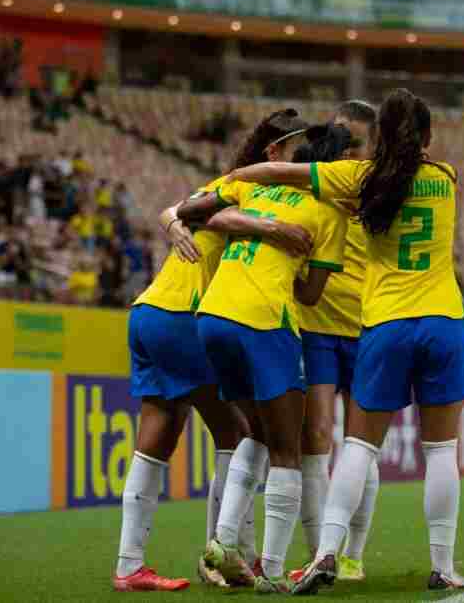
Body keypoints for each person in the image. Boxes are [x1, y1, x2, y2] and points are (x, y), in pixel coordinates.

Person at [224, 88, 464, 593]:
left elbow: (277, 173)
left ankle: (325, 553)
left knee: (359, 446)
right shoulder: (446, 179)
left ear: (378, 136)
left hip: (384, 324)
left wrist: (236, 178)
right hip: (442, 321)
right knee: (442, 450)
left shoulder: (359, 178)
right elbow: (414, 167)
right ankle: (443, 566)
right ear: (427, 137)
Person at [111, 109, 319, 593]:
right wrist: (268, 230)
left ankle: (129, 564)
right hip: (186, 314)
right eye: (297, 153)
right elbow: (190, 211)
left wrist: (172, 220)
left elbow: (178, 207)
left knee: (159, 433)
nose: (306, 166)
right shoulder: (254, 189)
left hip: (149, 312)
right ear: (274, 153)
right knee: (242, 432)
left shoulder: (232, 186)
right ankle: (224, 552)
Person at [180, 126, 351, 594]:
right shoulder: (331, 211)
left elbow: (193, 212)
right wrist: (286, 264)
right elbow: (312, 295)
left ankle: (222, 542)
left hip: (213, 315)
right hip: (264, 320)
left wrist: (250, 227)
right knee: (287, 449)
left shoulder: (259, 187)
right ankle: (271, 571)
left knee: (252, 434)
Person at [290, 101, 380, 584]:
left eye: (358, 143)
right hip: (318, 324)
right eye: (342, 140)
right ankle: (318, 551)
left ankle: (353, 554)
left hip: (367, 326)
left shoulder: (378, 188)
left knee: (361, 444)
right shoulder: (315, 180)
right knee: (318, 436)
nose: (348, 152)